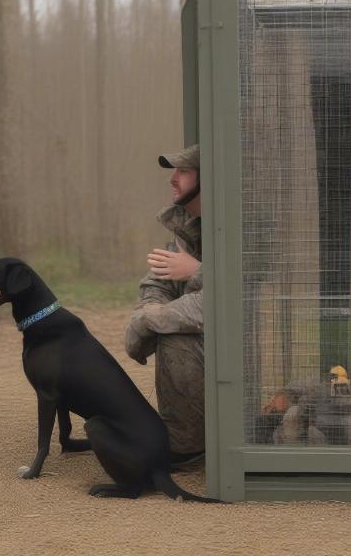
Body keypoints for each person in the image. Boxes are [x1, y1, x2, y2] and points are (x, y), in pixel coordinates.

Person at [125, 144, 205, 467]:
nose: (173, 179)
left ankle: (189, 445)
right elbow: (156, 282)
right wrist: (147, 311)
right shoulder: (188, 227)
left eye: (183, 171)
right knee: (163, 321)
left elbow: (225, 301)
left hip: (232, 357)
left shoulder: (234, 227)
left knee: (172, 334)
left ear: (208, 179)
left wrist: (197, 272)